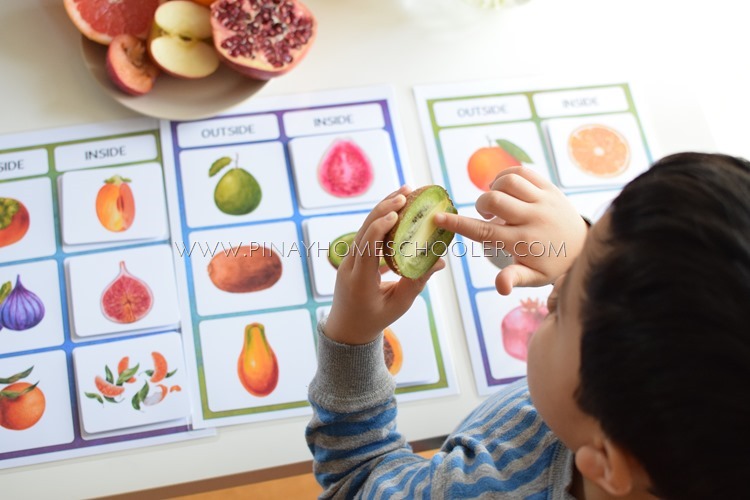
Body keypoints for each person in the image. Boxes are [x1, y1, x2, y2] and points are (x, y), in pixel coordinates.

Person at [306, 153, 750, 499]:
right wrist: (579, 247)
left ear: (608, 462)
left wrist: (353, 338)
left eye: (562, 309)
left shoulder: (474, 492)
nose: (556, 291)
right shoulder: (669, 420)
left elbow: (359, 478)